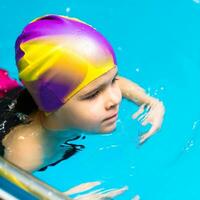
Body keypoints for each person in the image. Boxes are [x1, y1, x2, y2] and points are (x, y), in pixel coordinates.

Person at [0, 14, 165, 198]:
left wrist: (149, 102)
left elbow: (116, 84)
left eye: (113, 81)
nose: (115, 99)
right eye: (93, 95)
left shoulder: (72, 100)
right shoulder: (26, 152)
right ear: (51, 105)